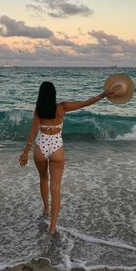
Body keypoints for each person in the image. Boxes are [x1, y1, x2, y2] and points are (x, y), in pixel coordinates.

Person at [19, 81, 118, 235]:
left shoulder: (38, 110)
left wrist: (25, 152)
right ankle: (52, 227)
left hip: (40, 147)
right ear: (54, 94)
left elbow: (32, 133)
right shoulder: (62, 107)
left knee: (43, 179)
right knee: (56, 187)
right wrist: (103, 95)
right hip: (57, 149)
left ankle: (46, 208)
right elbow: (85, 104)